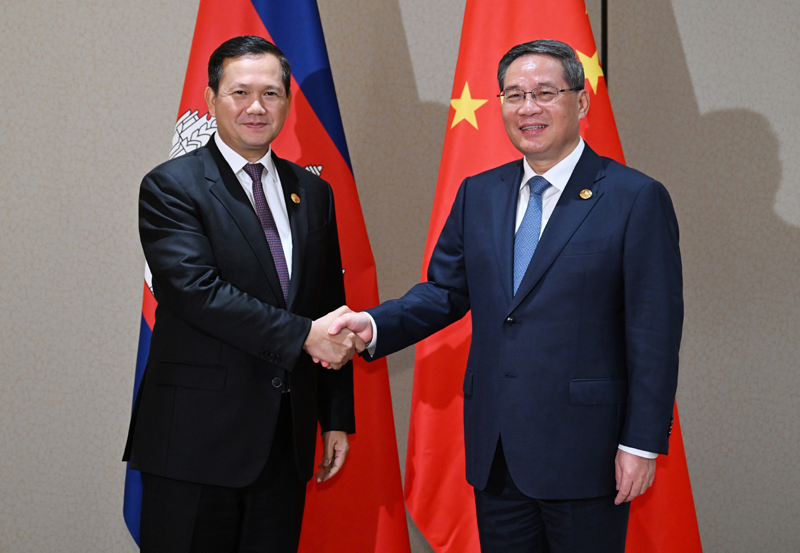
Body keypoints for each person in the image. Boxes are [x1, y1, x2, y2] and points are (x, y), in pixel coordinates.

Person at [330, 39, 683, 552]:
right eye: (514, 95)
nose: (528, 108)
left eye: (545, 93)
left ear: (581, 101)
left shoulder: (634, 197)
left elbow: (654, 333)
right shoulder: (479, 193)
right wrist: (373, 325)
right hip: (497, 453)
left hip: (588, 452)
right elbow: (444, 291)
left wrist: (641, 442)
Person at [123, 35, 363, 553]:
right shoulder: (171, 186)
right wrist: (304, 336)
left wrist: (335, 416)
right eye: (240, 93)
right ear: (211, 100)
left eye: (271, 93)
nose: (256, 107)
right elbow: (195, 292)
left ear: (287, 102)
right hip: (194, 442)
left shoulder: (312, 193)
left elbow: (328, 305)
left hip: (283, 440)